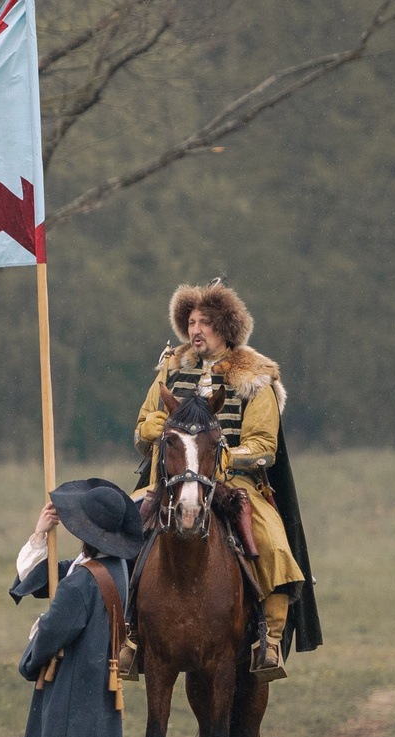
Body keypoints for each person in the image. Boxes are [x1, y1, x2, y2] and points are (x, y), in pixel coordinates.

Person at [129, 281, 320, 682]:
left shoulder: (256, 376)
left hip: (234, 481)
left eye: (206, 323)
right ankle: (128, 633)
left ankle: (269, 637)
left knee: (271, 539)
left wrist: (221, 458)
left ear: (226, 327)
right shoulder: (171, 368)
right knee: (123, 525)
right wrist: (163, 428)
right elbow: (143, 426)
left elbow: (264, 445)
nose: (195, 330)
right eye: (192, 322)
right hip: (173, 479)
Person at [10, 479, 145, 737]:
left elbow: (52, 630)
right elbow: (37, 578)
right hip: (94, 682)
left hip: (75, 685)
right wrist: (40, 535)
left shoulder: (83, 580)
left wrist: (31, 656)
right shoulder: (112, 566)